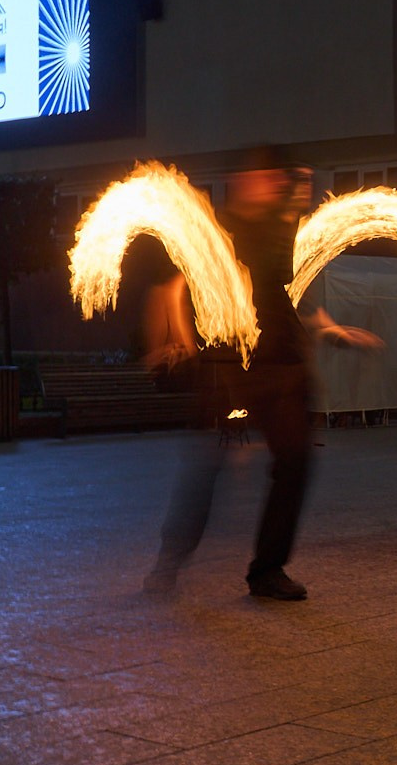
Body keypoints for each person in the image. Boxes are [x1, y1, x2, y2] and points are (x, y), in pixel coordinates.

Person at [142, 155, 382, 600]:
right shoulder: (217, 230)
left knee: (295, 462)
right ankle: (169, 562)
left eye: (285, 179)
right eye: (273, 177)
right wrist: (176, 339)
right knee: (205, 466)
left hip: (284, 366)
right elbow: (174, 286)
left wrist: (327, 327)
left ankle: (267, 570)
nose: (281, 186)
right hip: (228, 366)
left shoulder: (283, 230)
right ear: (244, 181)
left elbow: (291, 293)